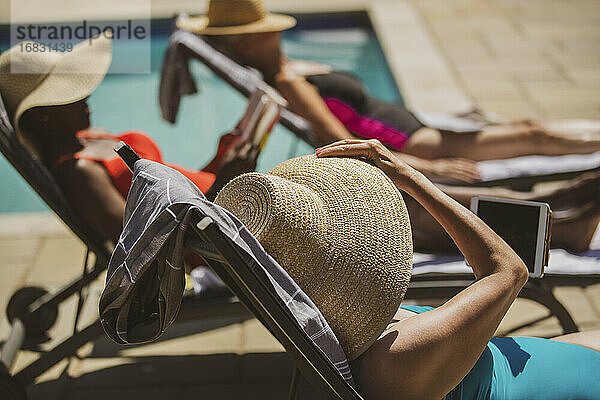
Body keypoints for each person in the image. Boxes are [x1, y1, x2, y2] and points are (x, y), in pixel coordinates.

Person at [176, 0, 600, 253]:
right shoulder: (287, 82)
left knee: (530, 133)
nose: (274, 34)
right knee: (530, 134)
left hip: (419, 133)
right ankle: (559, 219)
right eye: (261, 30)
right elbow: (334, 136)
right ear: (247, 42)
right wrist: (424, 166)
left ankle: (558, 203)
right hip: (419, 142)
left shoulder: (289, 71)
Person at [215, 138, 600, 400]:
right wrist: (413, 179)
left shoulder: (328, 334)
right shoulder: (393, 362)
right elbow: (509, 271)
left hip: (529, 360)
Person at [0, 34, 258, 244]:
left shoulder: (87, 139)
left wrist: (220, 162)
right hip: (215, 237)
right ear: (43, 116)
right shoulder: (80, 173)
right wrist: (221, 186)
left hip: (217, 212)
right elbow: (148, 240)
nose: (85, 98)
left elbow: (172, 192)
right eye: (68, 95)